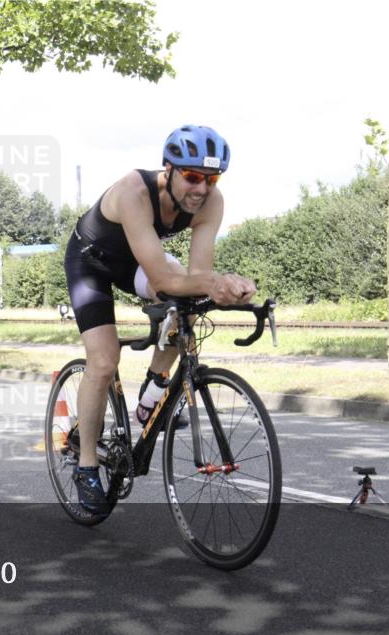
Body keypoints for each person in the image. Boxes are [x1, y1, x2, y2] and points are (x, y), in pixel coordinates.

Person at [63, 125, 256, 514]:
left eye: (211, 179)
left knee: (188, 307)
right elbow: (165, 279)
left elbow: (196, 277)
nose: (201, 188)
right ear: (167, 169)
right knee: (103, 362)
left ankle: (152, 393)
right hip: (91, 263)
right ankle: (86, 466)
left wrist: (227, 287)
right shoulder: (135, 193)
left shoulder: (211, 202)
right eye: (192, 177)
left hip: (136, 261)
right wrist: (213, 282)